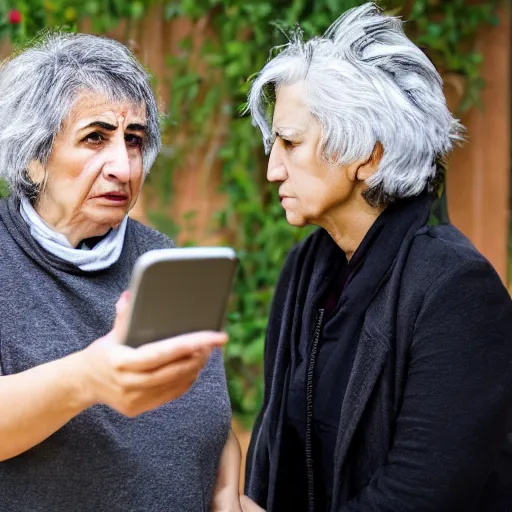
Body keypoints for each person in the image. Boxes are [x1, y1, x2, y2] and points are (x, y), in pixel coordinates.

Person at [241, 3, 512, 511]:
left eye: (290, 143)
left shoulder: (456, 290)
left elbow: (421, 495)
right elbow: (277, 446)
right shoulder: (308, 270)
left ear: (368, 154)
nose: (273, 168)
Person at [0, 33, 242, 512]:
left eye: (133, 140)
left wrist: (224, 489)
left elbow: (205, 413)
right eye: (95, 138)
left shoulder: (161, 261)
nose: (124, 166)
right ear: (33, 155)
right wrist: (85, 380)